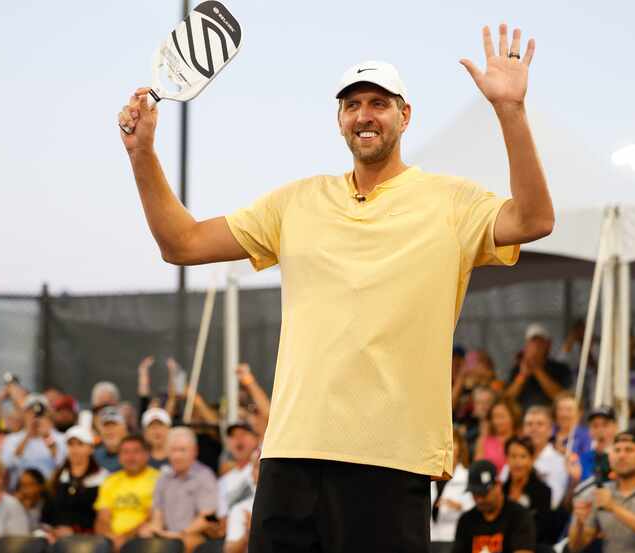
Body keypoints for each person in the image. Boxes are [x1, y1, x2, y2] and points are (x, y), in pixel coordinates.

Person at [118, 21, 554, 551]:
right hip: (290, 455)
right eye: (352, 105)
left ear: (404, 115)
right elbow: (181, 244)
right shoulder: (295, 202)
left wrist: (510, 111)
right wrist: (142, 155)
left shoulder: (451, 201)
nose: (364, 114)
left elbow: (533, 220)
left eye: (379, 102)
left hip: (391, 460)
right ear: (339, 119)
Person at [567, 432, 635, 553]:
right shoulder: (600, 492)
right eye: (617, 450)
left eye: (629, 450)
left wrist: (613, 507)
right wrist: (579, 522)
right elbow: (575, 547)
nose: (621, 455)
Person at [141, 427, 222, 552]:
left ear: (195, 451)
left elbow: (207, 518)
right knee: (143, 538)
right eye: (173, 450)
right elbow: (158, 513)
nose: (177, 456)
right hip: (167, 535)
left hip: (194, 536)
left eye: (183, 450)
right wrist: (156, 530)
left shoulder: (205, 476)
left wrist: (180, 534)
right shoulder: (163, 477)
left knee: (184, 543)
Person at [451, 459, 536, 553]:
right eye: (475, 494)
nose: (479, 499)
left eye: (483, 493)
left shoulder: (519, 516)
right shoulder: (466, 521)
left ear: (498, 486)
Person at [41, 425, 110, 540]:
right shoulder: (57, 477)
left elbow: (101, 517)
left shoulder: (103, 478)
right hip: (54, 538)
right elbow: (47, 511)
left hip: (88, 539)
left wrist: (75, 531)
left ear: (91, 448)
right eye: (71, 444)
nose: (75, 449)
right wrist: (50, 531)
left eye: (80, 444)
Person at [94, 435, 159, 551]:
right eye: (125, 452)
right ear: (119, 456)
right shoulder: (110, 480)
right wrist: (111, 537)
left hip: (142, 540)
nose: (130, 457)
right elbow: (102, 519)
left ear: (147, 455)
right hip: (111, 541)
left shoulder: (158, 480)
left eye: (136, 451)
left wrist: (125, 538)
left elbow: (152, 518)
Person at [505, 323, 571, 412]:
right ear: (526, 346)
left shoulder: (560, 368)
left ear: (548, 345)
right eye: (532, 342)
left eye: (540, 343)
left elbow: (561, 397)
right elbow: (506, 400)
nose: (536, 346)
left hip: (551, 420)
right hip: (524, 420)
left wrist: (537, 370)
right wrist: (522, 375)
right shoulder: (517, 369)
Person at [502, 436, 553, 546]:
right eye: (513, 456)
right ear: (507, 458)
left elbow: (542, 532)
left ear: (532, 459)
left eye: (523, 456)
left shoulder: (543, 492)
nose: (517, 462)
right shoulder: (500, 491)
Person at [431, 430, 474, 543]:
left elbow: (475, 507)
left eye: (452, 443)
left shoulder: (467, 477)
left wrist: (458, 505)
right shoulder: (429, 476)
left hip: (454, 538)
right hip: (429, 537)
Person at [522, 406, 567, 509]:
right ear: (523, 430)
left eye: (540, 424)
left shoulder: (560, 462)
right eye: (529, 424)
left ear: (550, 430)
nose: (534, 429)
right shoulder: (514, 458)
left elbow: (553, 502)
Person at [218, 422, 260, 517]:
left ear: (256, 438)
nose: (238, 439)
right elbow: (222, 521)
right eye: (232, 435)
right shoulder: (222, 482)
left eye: (243, 434)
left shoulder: (262, 469)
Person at [224, 451, 261, 553]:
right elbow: (229, 550)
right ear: (252, 473)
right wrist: (250, 532)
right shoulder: (242, 508)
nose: (265, 471)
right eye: (258, 466)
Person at [475, 397, 520, 473]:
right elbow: (477, 469)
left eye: (502, 417)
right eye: (495, 417)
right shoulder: (484, 441)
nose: (497, 421)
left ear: (513, 417)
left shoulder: (520, 439)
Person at [577, 405, 618, 482]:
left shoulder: (622, 456)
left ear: (615, 427)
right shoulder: (583, 458)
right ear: (589, 430)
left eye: (605, 425)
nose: (600, 430)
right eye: (595, 426)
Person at [553, 392, 591, 457]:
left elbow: (588, 462)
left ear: (579, 413)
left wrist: (566, 453)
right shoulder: (547, 431)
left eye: (569, 410)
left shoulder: (588, 435)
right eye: (560, 409)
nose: (564, 414)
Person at [93, 406, 128, 473]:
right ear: (100, 431)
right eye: (106, 426)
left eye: (114, 425)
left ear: (124, 428)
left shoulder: (134, 454)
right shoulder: (94, 457)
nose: (110, 430)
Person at [14, 468, 47, 532]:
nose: (26, 490)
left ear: (40, 486)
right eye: (22, 485)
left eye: (30, 484)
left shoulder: (48, 506)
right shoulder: (14, 504)